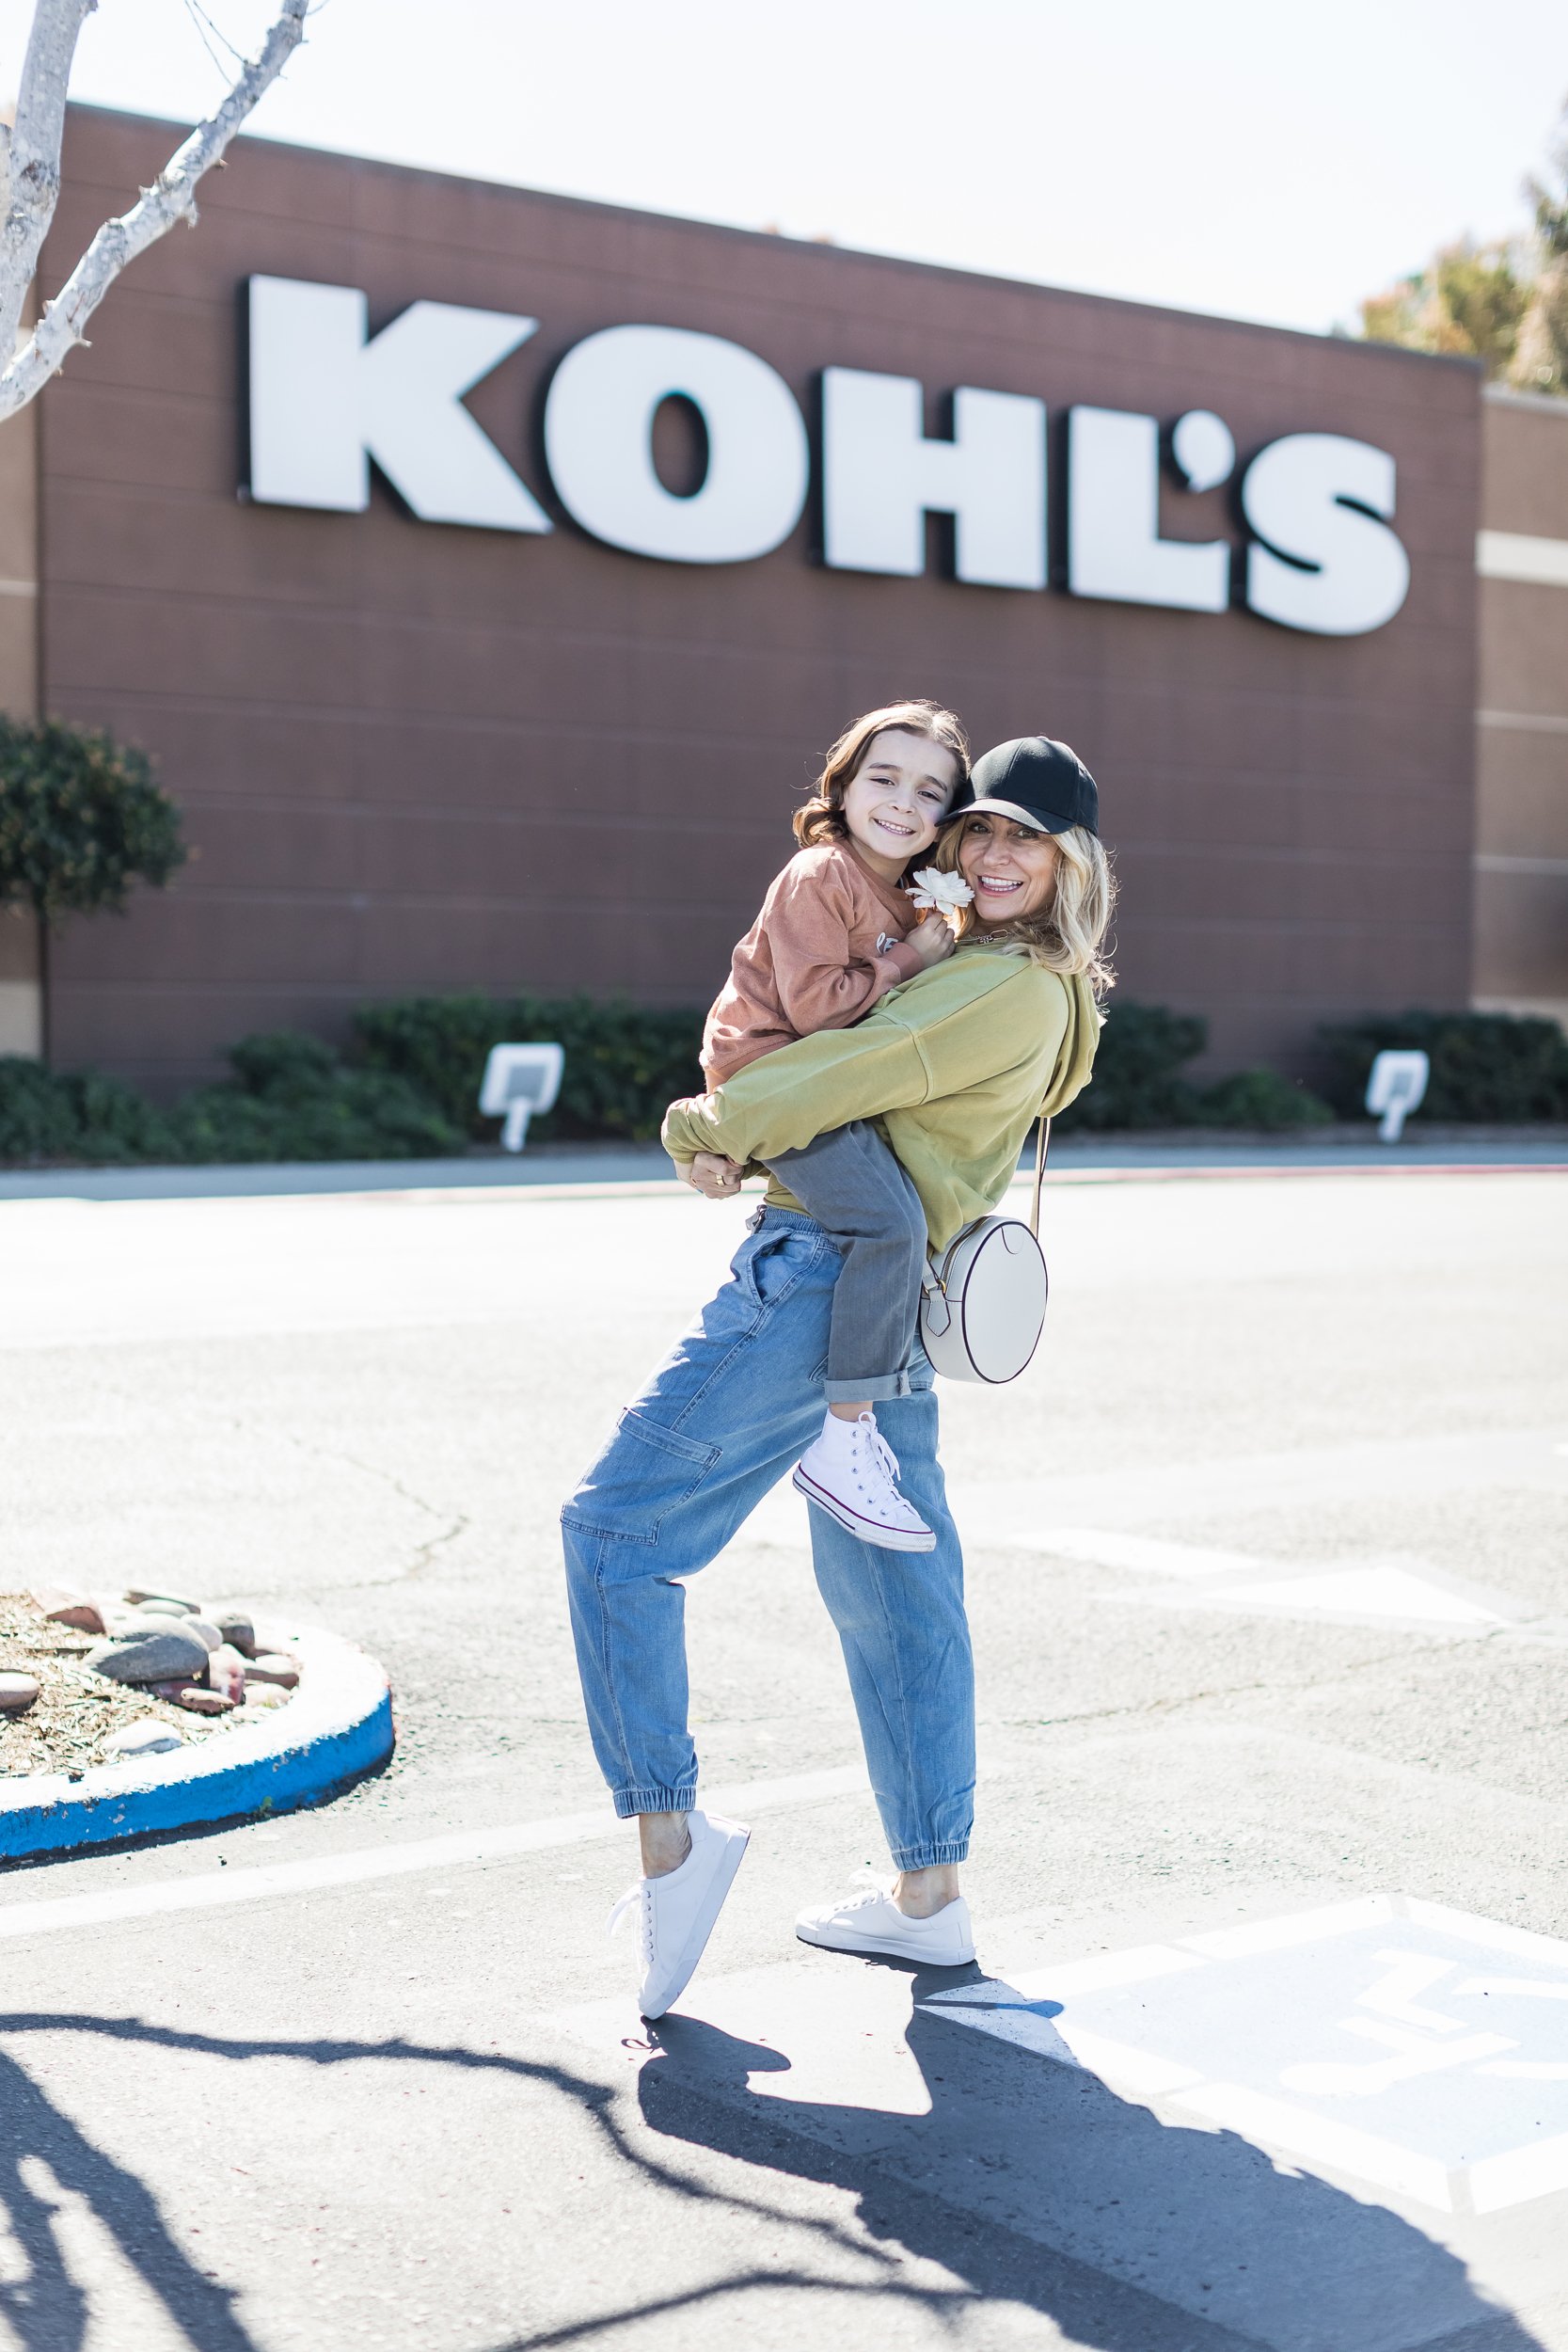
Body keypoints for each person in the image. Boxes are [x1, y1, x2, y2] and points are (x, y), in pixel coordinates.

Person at [562, 735, 1116, 2021]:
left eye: (1018, 839)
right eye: (971, 831)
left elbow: (845, 1069)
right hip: (891, 1300)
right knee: (893, 1596)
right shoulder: (1034, 983)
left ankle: (670, 1841)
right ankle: (929, 1899)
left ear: (1070, 861)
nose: (983, 854)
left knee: (612, 1534)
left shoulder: (1000, 987)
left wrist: (704, 1129)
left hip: (818, 1281)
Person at [697, 700, 968, 1556]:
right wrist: (911, 959)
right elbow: (817, 1011)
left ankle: (860, 1419)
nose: (902, 802)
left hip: (825, 1083)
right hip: (777, 1075)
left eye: (929, 792)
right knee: (888, 1223)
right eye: (883, 778)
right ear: (843, 788)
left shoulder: (908, 893)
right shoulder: (820, 874)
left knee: (899, 1210)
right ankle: (842, 1437)